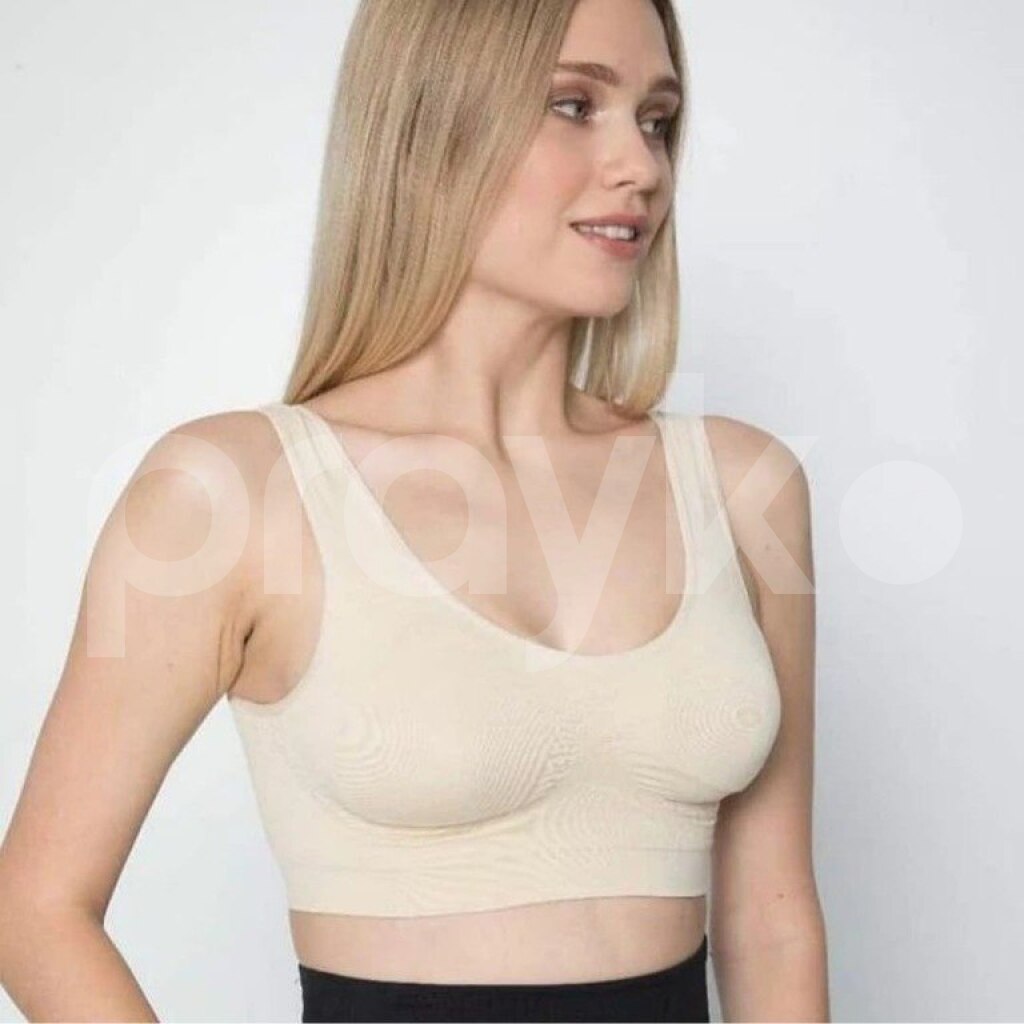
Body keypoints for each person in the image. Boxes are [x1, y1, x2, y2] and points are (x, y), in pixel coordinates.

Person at [0, 0, 831, 1020]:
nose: (642, 167)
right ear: (429, 127)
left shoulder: (744, 487)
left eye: (656, 120)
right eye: (574, 105)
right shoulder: (232, 491)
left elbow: (771, 920)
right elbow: (35, 907)